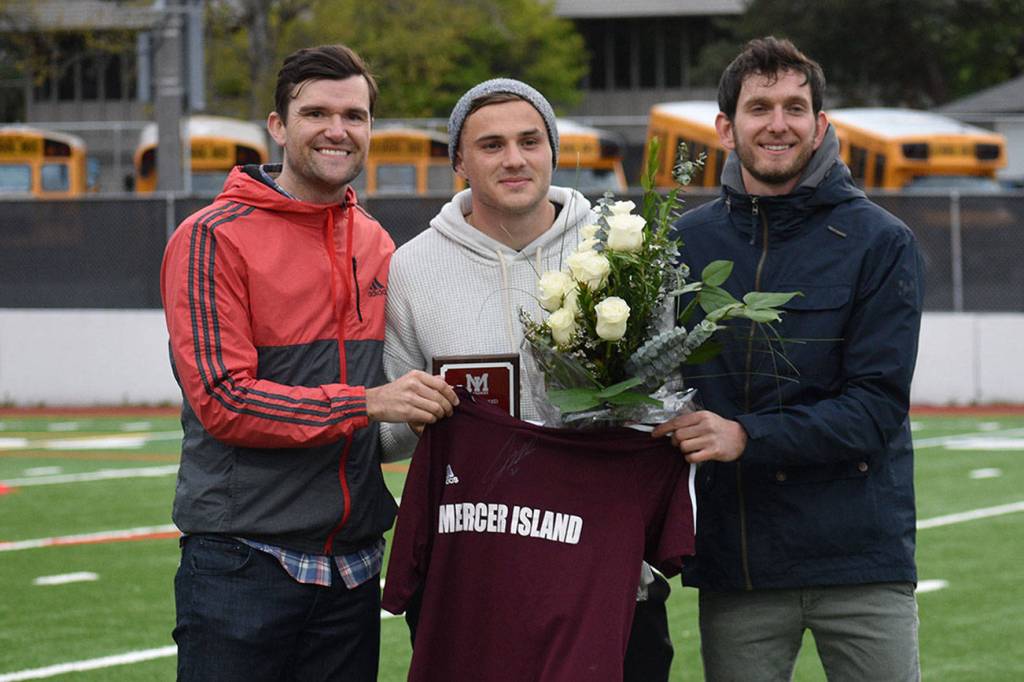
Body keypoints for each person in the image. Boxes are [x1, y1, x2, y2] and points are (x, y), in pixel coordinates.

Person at [160, 44, 458, 682]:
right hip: (243, 561)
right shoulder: (211, 237)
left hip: (351, 568)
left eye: (354, 115)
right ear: (278, 126)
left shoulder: (376, 240)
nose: (337, 130)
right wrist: (368, 402)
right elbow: (225, 400)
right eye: (316, 112)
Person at [381, 78, 675, 681]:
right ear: (459, 161)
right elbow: (392, 439)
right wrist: (413, 410)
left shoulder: (625, 251)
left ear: (553, 150)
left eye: (529, 141)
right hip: (471, 580)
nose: (514, 159)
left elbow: (663, 401)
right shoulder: (412, 267)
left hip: (605, 574)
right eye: (491, 145)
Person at [652, 37, 925, 681]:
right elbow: (653, 387)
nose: (778, 123)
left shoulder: (881, 242)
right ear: (726, 127)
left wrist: (745, 435)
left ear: (820, 124)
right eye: (759, 107)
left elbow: (876, 408)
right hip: (741, 560)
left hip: (862, 561)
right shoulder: (682, 243)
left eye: (795, 107)